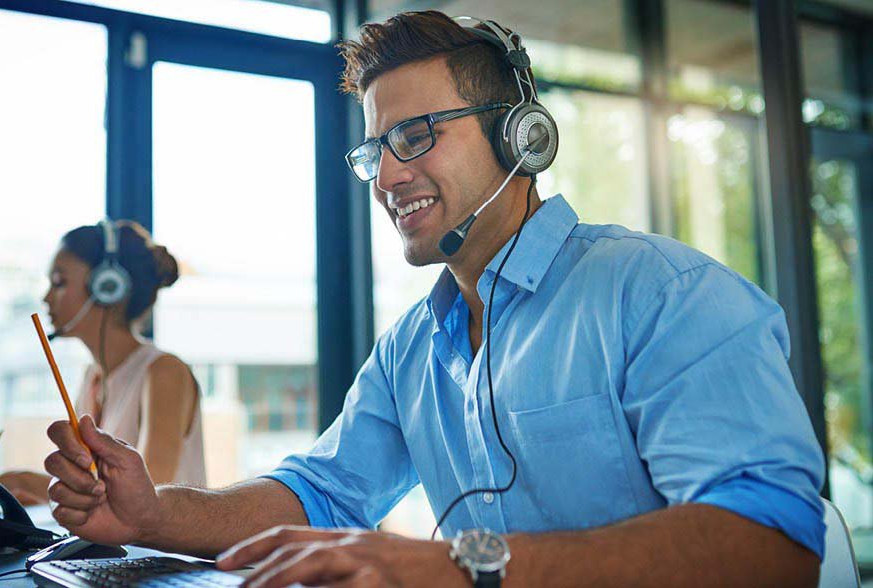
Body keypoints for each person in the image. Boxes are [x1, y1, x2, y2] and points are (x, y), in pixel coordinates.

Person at [43, 12, 824, 588]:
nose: (386, 177)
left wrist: (465, 563)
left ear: (521, 138)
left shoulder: (662, 294)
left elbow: (772, 543)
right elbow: (319, 492)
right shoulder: (413, 348)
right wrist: (153, 515)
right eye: (375, 149)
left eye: (416, 135)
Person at [0, 220, 205, 505]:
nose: (46, 298)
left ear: (107, 286)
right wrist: (21, 486)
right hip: (118, 549)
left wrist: (37, 490)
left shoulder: (163, 372)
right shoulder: (92, 377)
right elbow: (91, 487)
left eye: (59, 282)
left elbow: (146, 498)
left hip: (163, 550)